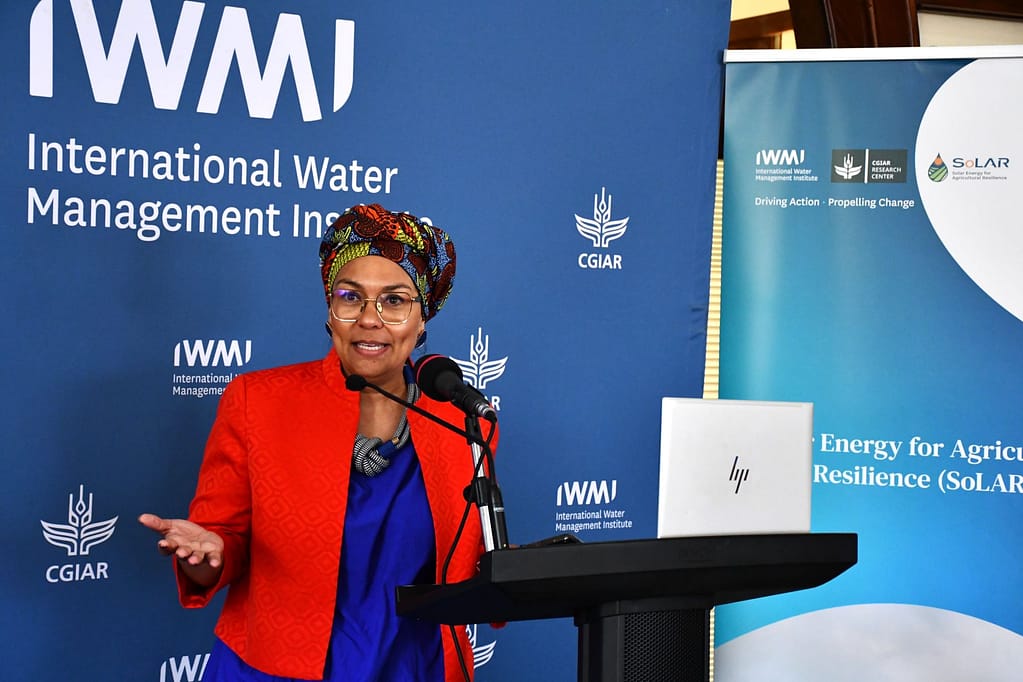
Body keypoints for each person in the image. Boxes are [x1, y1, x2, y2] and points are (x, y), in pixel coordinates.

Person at [140, 203, 494, 681]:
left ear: (422, 319)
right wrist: (208, 554)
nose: (370, 318)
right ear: (331, 311)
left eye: (394, 300)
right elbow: (219, 542)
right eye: (351, 297)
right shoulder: (256, 401)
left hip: (414, 665)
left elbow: (474, 564)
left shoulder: (464, 422)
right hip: (275, 668)